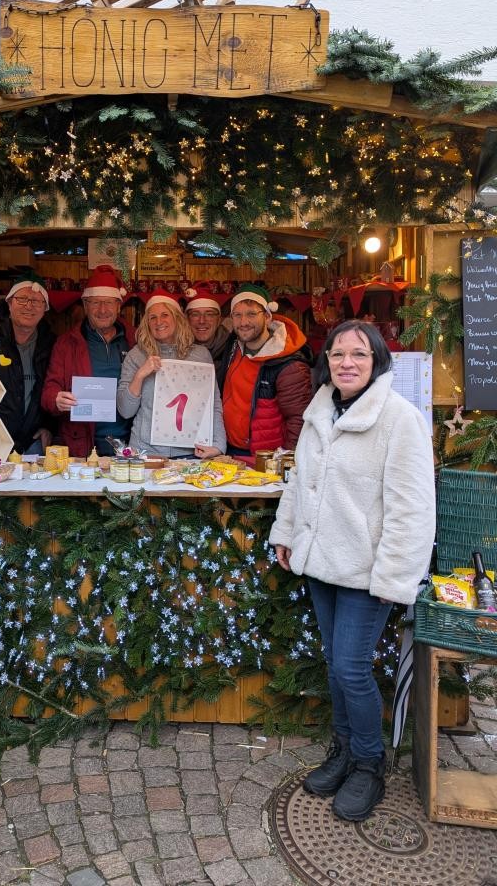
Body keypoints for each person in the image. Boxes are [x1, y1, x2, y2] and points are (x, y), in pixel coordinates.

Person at [269, 319, 435, 823]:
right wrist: (286, 531)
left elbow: (412, 509)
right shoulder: (320, 409)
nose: (347, 363)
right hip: (322, 561)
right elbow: (301, 481)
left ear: (377, 361)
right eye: (338, 353)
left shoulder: (399, 419)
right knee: (335, 664)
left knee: (351, 668)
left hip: (367, 570)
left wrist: (395, 577)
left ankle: (368, 763)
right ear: (327, 361)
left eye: (359, 354)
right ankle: (343, 751)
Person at [117, 291, 226, 458]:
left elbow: (213, 404)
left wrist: (218, 445)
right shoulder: (136, 355)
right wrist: (140, 375)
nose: (158, 322)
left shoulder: (200, 355)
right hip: (146, 452)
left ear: (177, 318)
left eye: (165, 315)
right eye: (152, 317)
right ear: (147, 323)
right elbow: (125, 411)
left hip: (190, 451)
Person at [41, 266, 135, 456]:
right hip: (82, 445)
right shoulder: (66, 344)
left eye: (109, 302)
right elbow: (49, 390)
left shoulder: (135, 341)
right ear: (85, 305)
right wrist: (56, 399)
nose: (102, 310)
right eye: (95, 302)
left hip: (131, 443)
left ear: (119, 306)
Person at [220, 282, 313, 460]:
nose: (243, 322)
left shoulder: (288, 363)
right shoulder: (233, 347)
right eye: (237, 315)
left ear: (268, 317)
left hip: (265, 459)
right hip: (229, 450)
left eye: (251, 314)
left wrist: (286, 463)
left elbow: (298, 420)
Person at [0, 278, 55, 455]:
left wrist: (49, 426)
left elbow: (55, 387)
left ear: (45, 308)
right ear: (9, 303)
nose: (29, 306)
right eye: (22, 299)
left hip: (32, 443)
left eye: (36, 301)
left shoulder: (51, 344)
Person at [184, 282, 231, 377]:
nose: (202, 321)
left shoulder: (232, 350)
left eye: (209, 314)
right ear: (187, 319)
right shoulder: (178, 350)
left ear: (219, 320)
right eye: (195, 314)